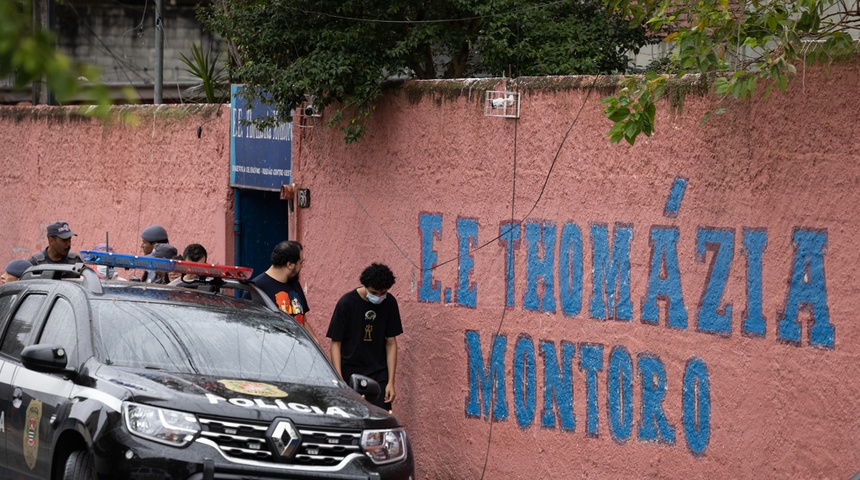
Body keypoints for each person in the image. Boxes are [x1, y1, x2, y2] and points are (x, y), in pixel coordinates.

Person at [326, 263, 402, 411]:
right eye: (374, 292)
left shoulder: (390, 303)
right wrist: (340, 380)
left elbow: (391, 342)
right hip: (350, 371)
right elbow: (335, 343)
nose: (379, 297)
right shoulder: (346, 303)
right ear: (365, 286)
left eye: (383, 293)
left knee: (379, 416)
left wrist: (391, 382)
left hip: (378, 373)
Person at [250, 241, 319, 344]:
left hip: (299, 353)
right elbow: (249, 328)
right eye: (301, 263)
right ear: (290, 264)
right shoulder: (257, 288)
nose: (302, 267)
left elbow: (302, 319)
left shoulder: (294, 284)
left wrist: (315, 342)